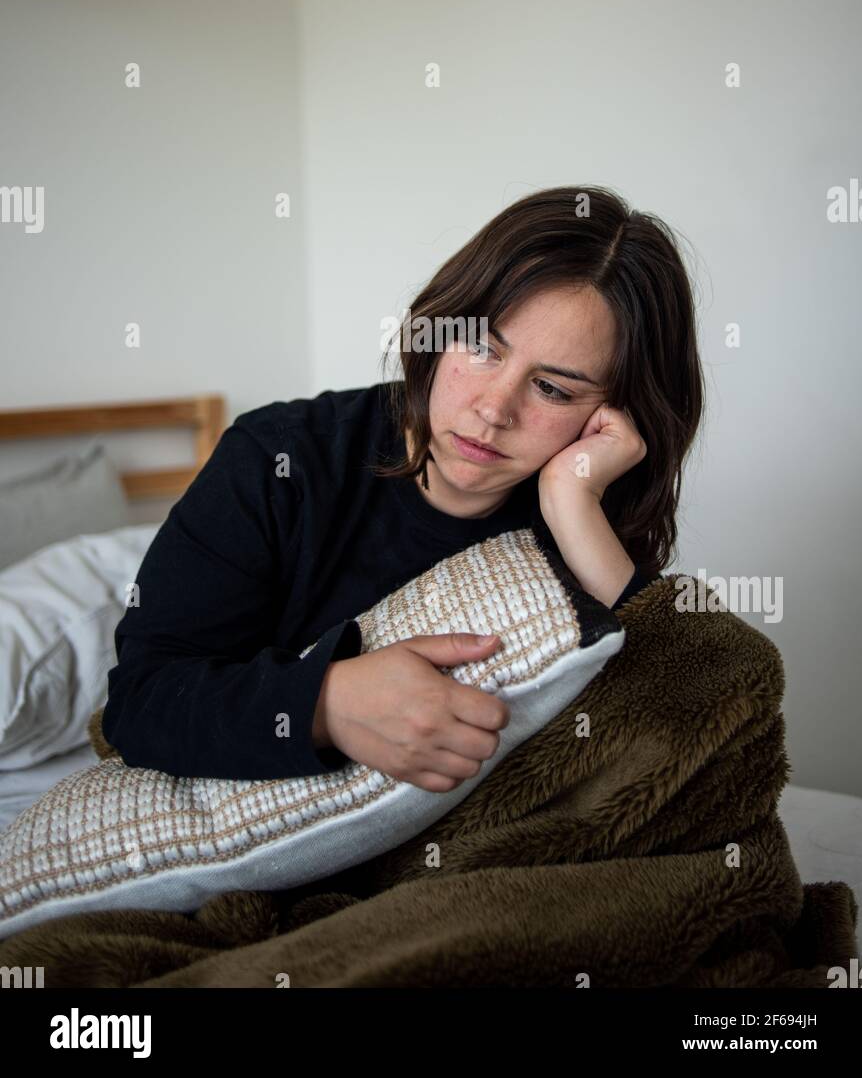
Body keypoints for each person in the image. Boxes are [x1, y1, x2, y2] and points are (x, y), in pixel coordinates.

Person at [102, 184, 705, 793]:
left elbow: (686, 718)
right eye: (480, 348)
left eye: (553, 389)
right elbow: (141, 699)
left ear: (614, 417)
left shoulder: (585, 495)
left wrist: (575, 506)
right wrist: (327, 703)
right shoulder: (278, 456)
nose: (495, 409)